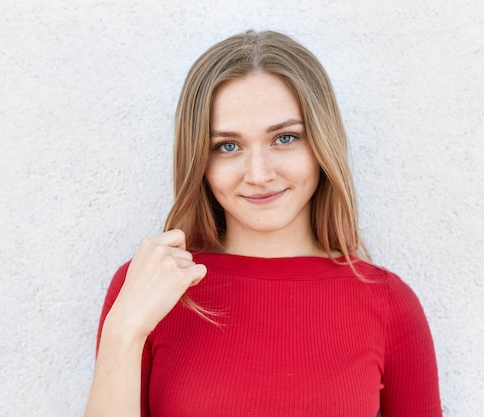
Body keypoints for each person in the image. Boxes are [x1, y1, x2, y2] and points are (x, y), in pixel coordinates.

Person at [84, 30, 442, 417]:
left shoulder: (388, 303)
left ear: (322, 144)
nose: (258, 174)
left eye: (285, 138)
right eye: (227, 146)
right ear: (199, 161)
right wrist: (124, 332)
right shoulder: (148, 285)